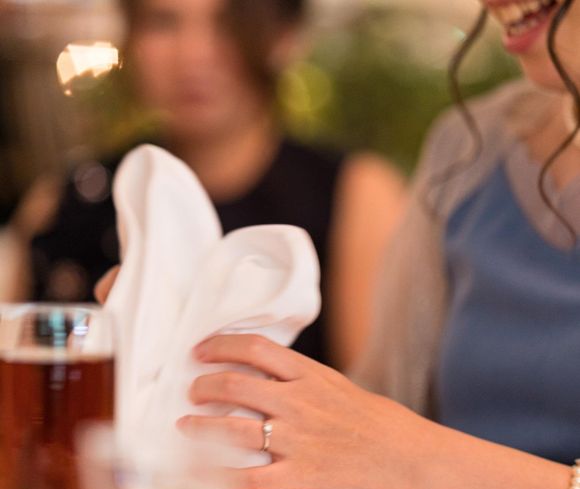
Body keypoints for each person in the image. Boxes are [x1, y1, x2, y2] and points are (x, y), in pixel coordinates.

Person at [166, 0, 580, 489]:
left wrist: (419, 462)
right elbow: (373, 422)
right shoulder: (469, 148)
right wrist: (187, 355)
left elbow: (394, 452)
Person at [22, 0, 406, 370]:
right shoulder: (69, 198)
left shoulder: (356, 196)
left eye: (227, 22)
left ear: (286, 37)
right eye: (163, 21)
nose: (193, 55)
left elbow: (370, 400)